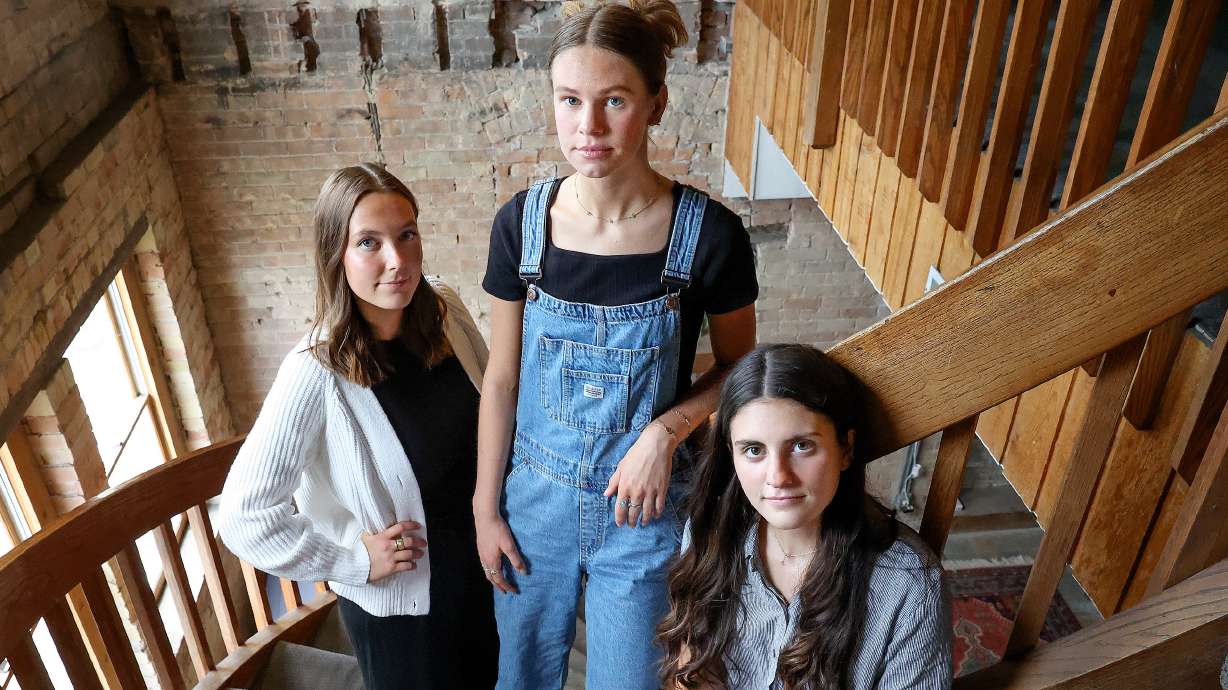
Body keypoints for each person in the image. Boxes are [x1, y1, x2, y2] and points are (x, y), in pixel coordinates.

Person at [474, 1, 759, 687]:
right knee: (519, 680)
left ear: (656, 103)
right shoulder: (521, 226)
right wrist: (486, 509)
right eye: (570, 100)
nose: (588, 126)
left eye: (615, 101)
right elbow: (504, 381)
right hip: (533, 504)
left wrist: (665, 433)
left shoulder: (711, 236)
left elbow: (743, 368)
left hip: (644, 514)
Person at [219, 164, 497, 689]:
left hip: (483, 576)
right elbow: (244, 516)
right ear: (336, 255)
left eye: (407, 234)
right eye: (368, 242)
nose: (397, 261)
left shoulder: (445, 310)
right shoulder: (314, 371)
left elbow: (496, 414)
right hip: (406, 615)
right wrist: (351, 561)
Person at [658, 343, 953, 689]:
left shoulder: (909, 585)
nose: (778, 476)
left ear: (845, 448)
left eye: (801, 446)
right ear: (731, 455)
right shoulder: (709, 532)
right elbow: (690, 672)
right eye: (754, 450)